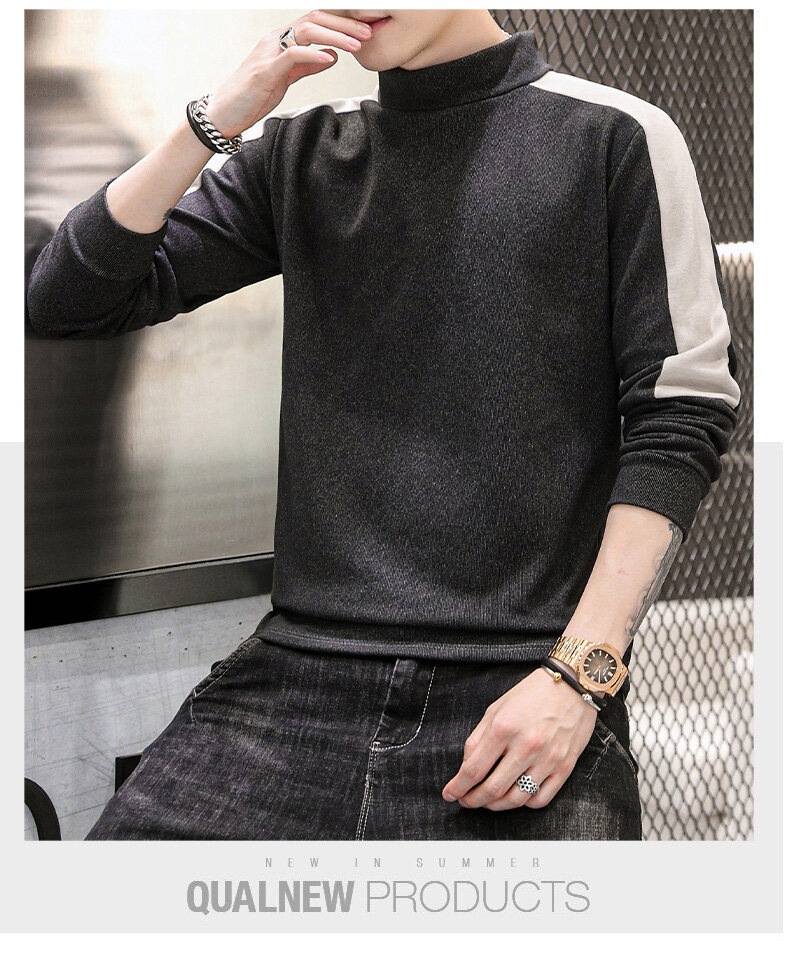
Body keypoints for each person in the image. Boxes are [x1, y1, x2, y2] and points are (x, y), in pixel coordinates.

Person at [26, 9, 740, 840]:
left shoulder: (613, 136)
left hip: (523, 683)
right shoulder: (303, 153)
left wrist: (580, 677)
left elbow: (681, 414)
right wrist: (211, 121)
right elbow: (68, 299)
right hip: (297, 677)